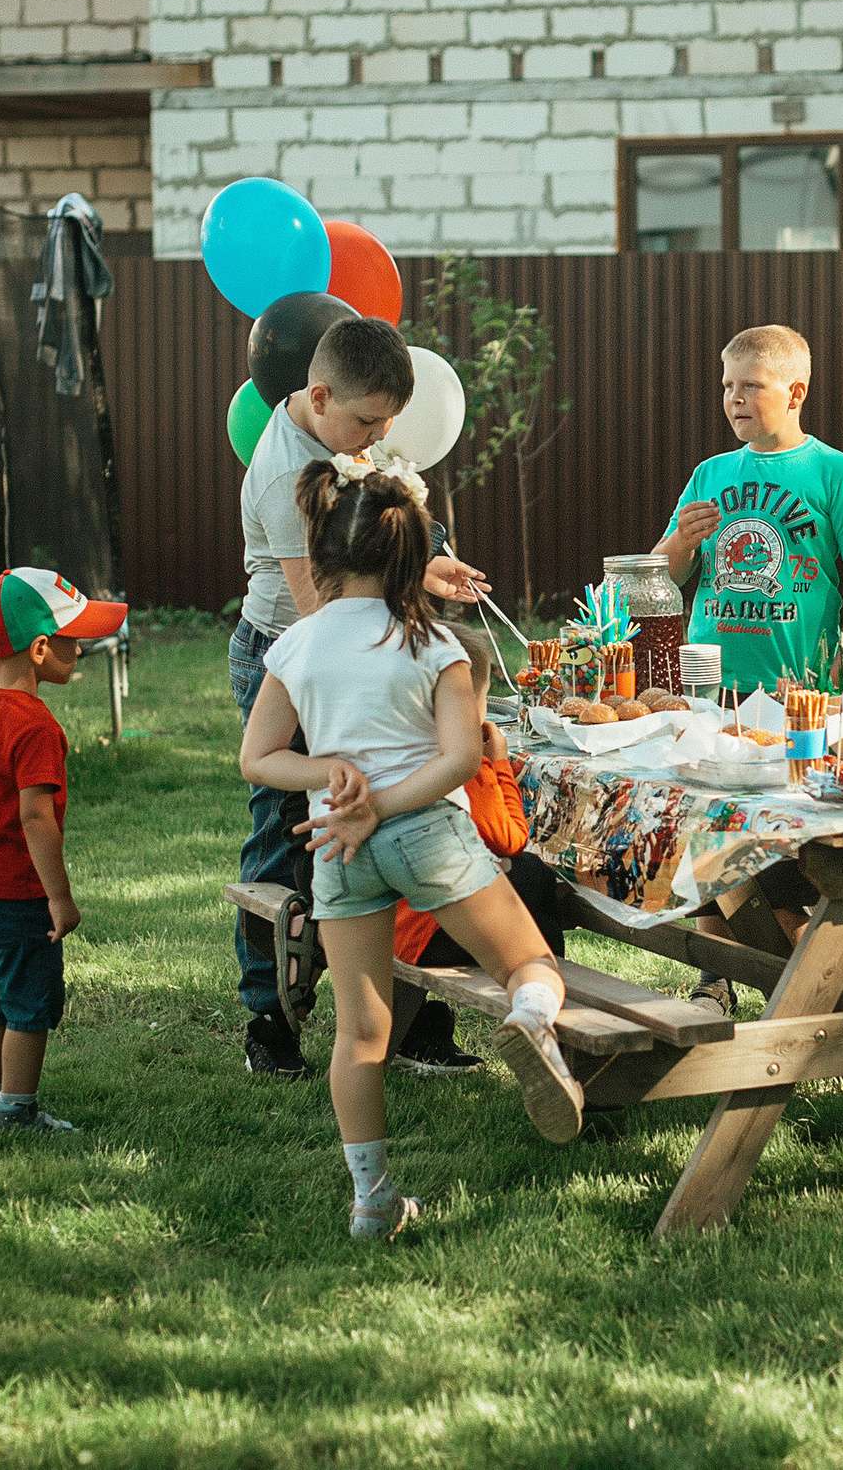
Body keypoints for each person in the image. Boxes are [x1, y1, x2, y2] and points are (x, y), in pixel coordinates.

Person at [241, 455, 586, 1240]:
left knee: (361, 1031)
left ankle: (372, 1199)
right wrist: (386, 802)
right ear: (412, 560)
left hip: (337, 845)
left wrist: (340, 779)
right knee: (530, 965)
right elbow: (462, 759)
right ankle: (531, 1024)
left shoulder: (295, 645)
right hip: (427, 835)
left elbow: (258, 757)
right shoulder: (438, 644)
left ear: (324, 551)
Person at [229, 315, 490, 1079]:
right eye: (368, 421)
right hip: (290, 659)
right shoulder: (286, 475)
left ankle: (415, 1018)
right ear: (319, 395)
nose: (375, 438)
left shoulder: (341, 437)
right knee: (289, 836)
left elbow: (366, 569)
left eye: (386, 423)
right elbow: (325, 615)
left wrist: (426, 569)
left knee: (410, 816)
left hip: (357, 643)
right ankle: (269, 1021)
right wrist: (410, 618)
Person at [651, 324, 843, 1016]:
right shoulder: (710, 475)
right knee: (707, 821)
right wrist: (676, 542)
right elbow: (665, 577)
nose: (734, 398)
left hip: (796, 692)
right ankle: (714, 978)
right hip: (710, 680)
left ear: (796, 391)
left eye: (749, 385)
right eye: (726, 386)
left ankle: (802, 982)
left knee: (783, 838)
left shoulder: (834, 474)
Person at [0, 567, 127, 1134]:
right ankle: (16, 1113)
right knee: (28, 1004)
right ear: (41, 648)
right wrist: (60, 899)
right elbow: (36, 816)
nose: (84, 646)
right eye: (76, 637)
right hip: (13, 892)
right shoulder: (36, 725)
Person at [389, 630, 568, 1075]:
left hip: (388, 921)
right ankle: (549, 1014)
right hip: (428, 934)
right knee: (534, 879)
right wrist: (498, 764)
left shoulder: (395, 749)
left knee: (523, 878)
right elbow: (510, 837)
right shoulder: (463, 763)